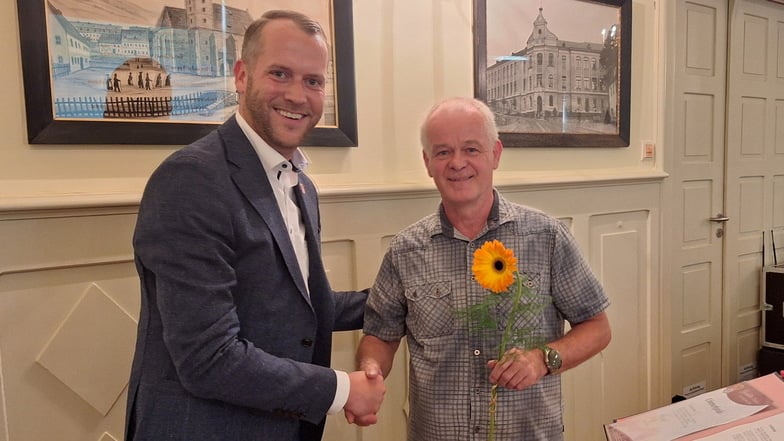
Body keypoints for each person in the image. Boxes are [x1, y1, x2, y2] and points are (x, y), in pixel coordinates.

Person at [124, 10, 385, 441]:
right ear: (242, 76)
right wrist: (342, 391)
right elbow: (208, 358)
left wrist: (404, 299)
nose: (299, 95)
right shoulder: (190, 179)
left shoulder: (300, 184)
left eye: (314, 81)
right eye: (280, 74)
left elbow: (293, 307)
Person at [356, 97, 612, 441]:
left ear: (495, 154)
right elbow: (379, 336)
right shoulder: (405, 250)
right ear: (427, 162)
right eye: (443, 152)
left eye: (471, 149)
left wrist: (542, 359)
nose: (457, 163)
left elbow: (597, 328)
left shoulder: (546, 237)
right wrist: (369, 371)